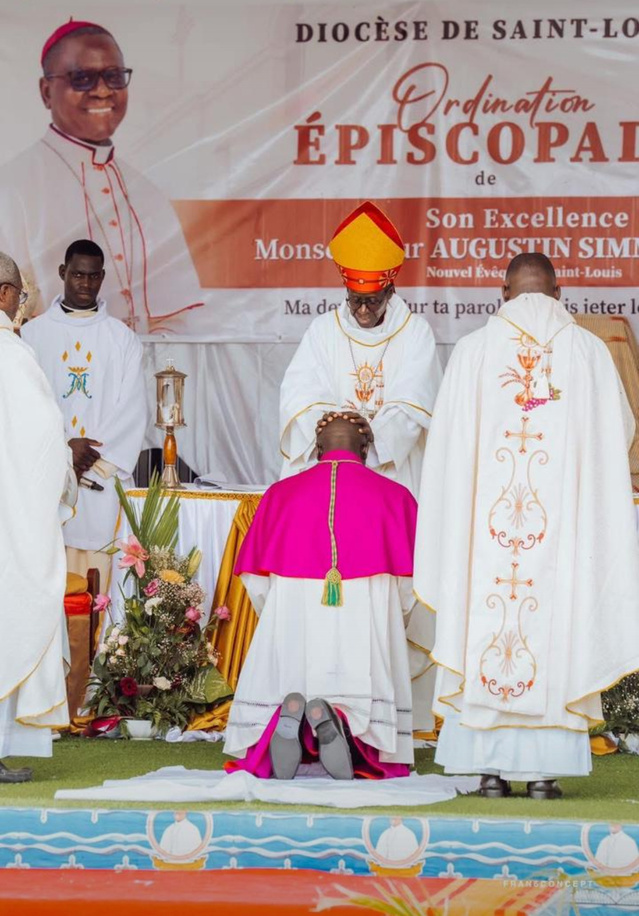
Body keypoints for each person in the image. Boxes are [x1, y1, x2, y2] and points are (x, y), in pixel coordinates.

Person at [414, 252, 639, 799]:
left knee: (482, 619)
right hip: (558, 543)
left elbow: (443, 451)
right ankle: (543, 774)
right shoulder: (587, 352)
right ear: (560, 294)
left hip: (486, 543)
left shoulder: (472, 352)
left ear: (503, 291)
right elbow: (620, 434)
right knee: (556, 631)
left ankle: (487, 771)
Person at [224, 412, 417, 779]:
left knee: (288, 670)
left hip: (295, 608)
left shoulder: (280, 495)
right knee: (366, 683)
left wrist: (275, 610)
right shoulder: (396, 497)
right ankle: (349, 732)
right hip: (366, 611)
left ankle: (291, 717)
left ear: (316, 449)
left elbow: (255, 580)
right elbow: (411, 587)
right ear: (365, 449)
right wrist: (396, 616)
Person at [0, 19, 203, 334]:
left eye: (114, 76)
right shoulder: (13, 187)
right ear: (46, 91)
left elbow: (176, 320)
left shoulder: (145, 192)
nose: (103, 90)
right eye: (82, 78)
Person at [279, 200, 442, 498]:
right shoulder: (324, 329)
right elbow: (299, 394)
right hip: (332, 465)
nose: (363, 310)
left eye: (373, 300)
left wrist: (370, 436)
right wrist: (336, 432)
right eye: (356, 300)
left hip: (392, 469)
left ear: (390, 292)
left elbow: (414, 402)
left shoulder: (415, 332)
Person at [22, 239, 147, 587]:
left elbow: (133, 408)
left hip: (101, 482)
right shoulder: (31, 336)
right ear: (63, 273)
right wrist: (64, 450)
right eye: (77, 274)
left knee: (100, 588)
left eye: (93, 277)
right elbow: (23, 408)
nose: (85, 284)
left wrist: (92, 459)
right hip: (48, 481)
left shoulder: (122, 339)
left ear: (102, 277)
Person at [0, 252, 70, 782]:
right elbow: (46, 436)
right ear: (4, 294)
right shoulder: (10, 354)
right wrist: (61, 480)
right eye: (21, 297)